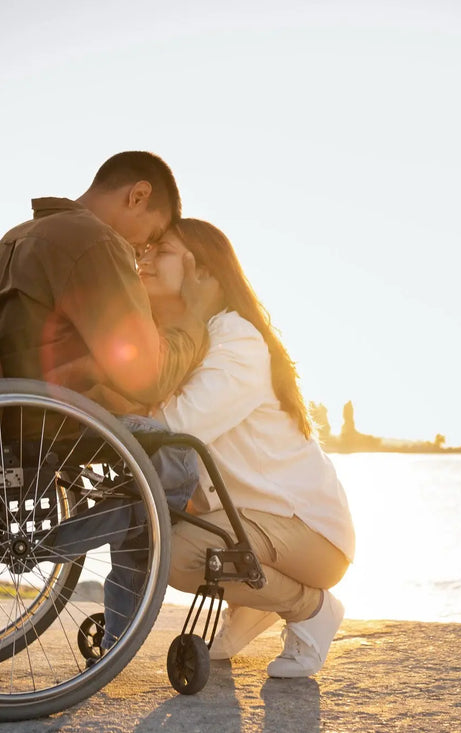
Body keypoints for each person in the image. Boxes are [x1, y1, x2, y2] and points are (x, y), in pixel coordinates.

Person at [0, 151, 217, 648]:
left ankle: (116, 628)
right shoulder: (94, 241)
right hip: (58, 418)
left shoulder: (16, 236)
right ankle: (59, 556)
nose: (143, 252)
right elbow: (146, 376)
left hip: (12, 413)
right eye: (150, 236)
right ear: (138, 195)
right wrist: (191, 324)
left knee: (149, 452)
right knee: (176, 455)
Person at [136, 218, 356, 678]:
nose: (147, 257)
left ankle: (311, 608)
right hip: (259, 519)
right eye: (148, 249)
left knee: (173, 553)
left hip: (312, 534)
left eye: (165, 250)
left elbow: (176, 426)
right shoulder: (196, 336)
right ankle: (254, 605)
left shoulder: (235, 339)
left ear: (205, 273)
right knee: (167, 535)